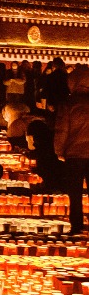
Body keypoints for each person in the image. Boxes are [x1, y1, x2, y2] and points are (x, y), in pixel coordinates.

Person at [54, 65, 89, 235]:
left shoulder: (69, 104)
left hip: (74, 155)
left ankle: (77, 225)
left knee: (75, 193)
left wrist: (59, 151)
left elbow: (62, 130)